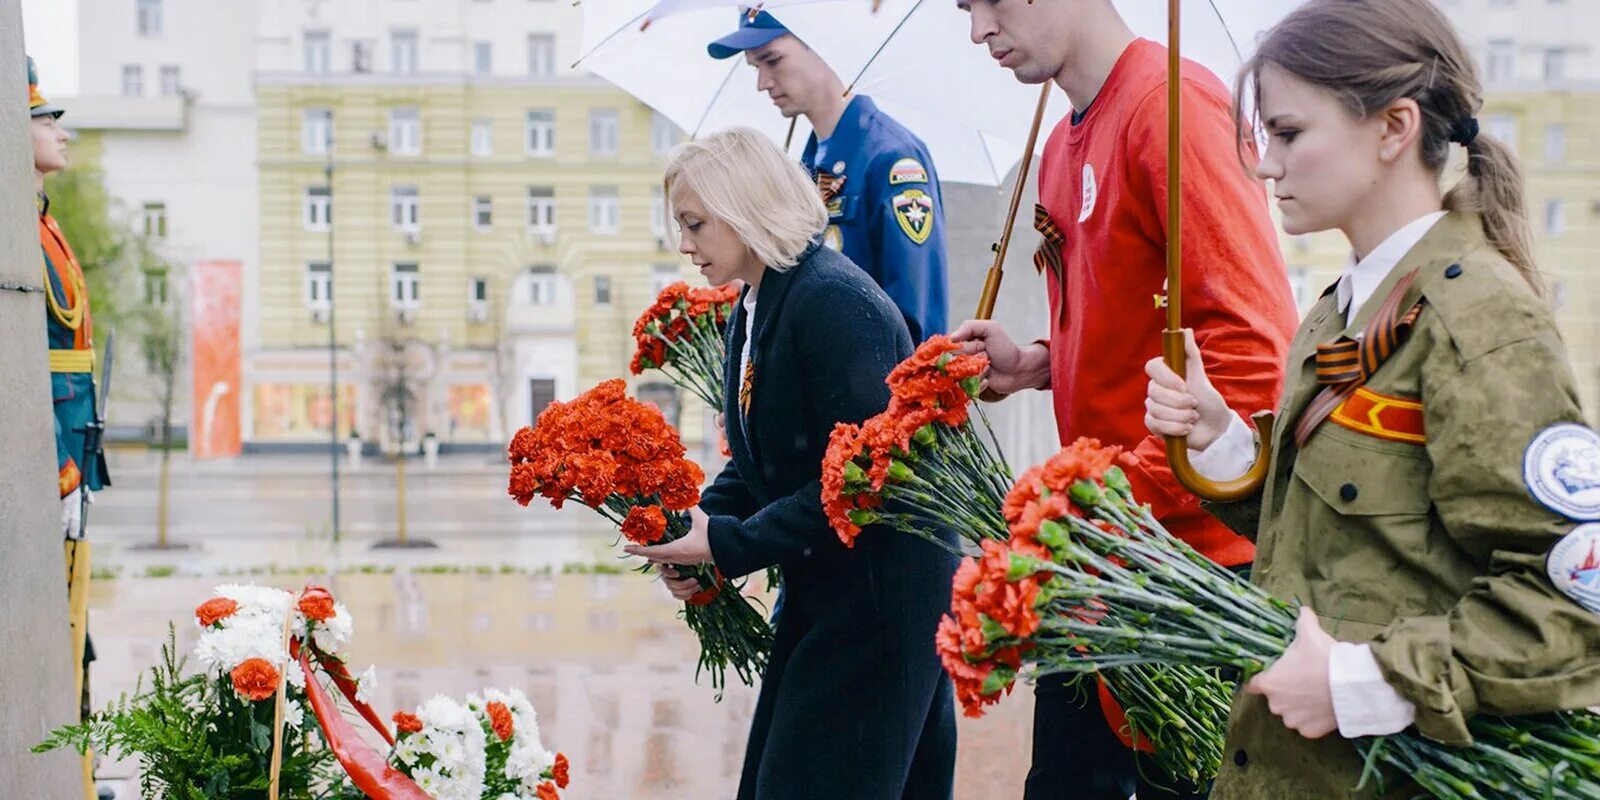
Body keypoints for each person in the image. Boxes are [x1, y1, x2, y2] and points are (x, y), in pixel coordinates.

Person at [1142, 1, 1600, 796]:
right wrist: (1224, 441)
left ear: (1394, 127)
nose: (1265, 165)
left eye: (1288, 134)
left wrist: (1365, 681)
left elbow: (1573, 602)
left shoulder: (1479, 321)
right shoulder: (1341, 308)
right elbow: (1340, 541)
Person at [952, 1, 1299, 797]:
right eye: (964, 11)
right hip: (1102, 554)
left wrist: (1099, 504)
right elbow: (1133, 319)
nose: (978, 32)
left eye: (989, 3)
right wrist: (1036, 363)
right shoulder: (1057, 143)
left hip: (1182, 564)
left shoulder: (1172, 107)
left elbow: (1252, 357)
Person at [624, 128, 957, 800]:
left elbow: (868, 478)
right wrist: (697, 533)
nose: (683, 245)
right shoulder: (760, 298)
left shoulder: (832, 301)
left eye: (695, 224)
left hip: (879, 603)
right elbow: (760, 456)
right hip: (833, 593)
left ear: (746, 208)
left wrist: (727, 543)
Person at [708, 10, 948, 342]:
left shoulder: (891, 157)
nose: (762, 83)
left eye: (772, 60)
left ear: (822, 43)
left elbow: (913, 315)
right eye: (755, 67)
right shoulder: (805, 165)